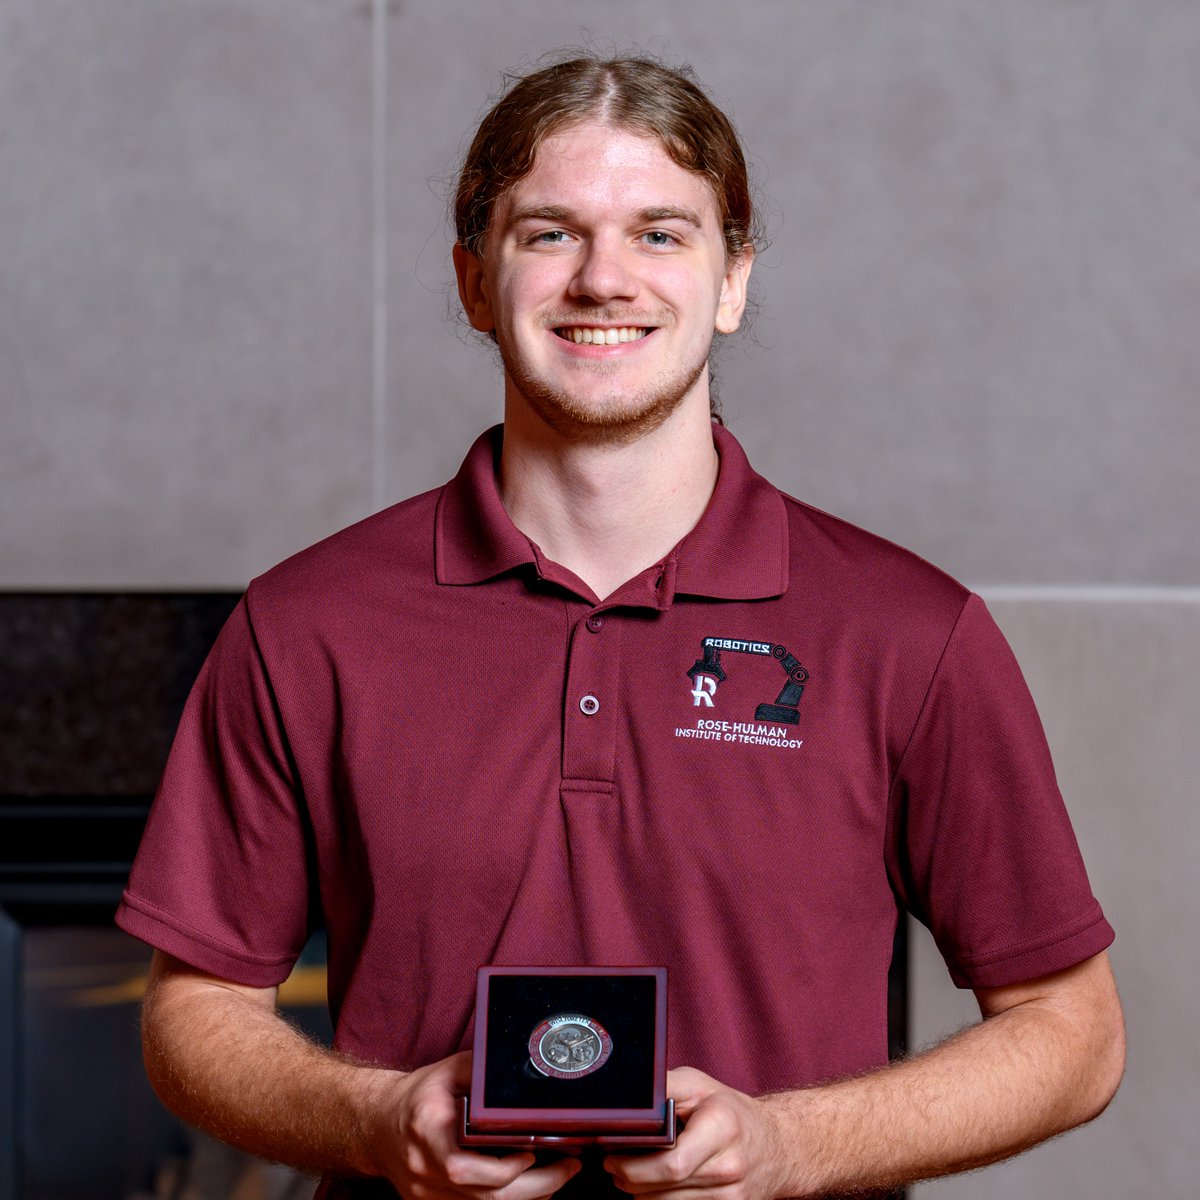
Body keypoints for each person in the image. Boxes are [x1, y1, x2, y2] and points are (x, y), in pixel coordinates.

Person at [117, 53, 1125, 1200]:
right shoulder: (307, 623)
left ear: (733, 279)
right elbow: (193, 1015)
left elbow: (1073, 1030)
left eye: (660, 234)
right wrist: (373, 1118)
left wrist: (792, 1145)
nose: (605, 280)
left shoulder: (907, 632)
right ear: (471, 281)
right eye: (550, 233)